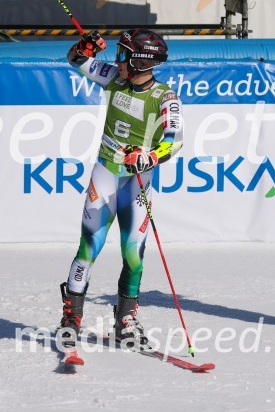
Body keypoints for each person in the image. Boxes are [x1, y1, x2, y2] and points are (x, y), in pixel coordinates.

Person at [58, 29, 183, 351]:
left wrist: (150, 156)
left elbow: (175, 140)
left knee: (133, 255)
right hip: (106, 173)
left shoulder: (165, 97)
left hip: (136, 182)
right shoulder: (114, 78)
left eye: (123, 55)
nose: (117, 60)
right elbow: (76, 60)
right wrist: (84, 46)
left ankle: (125, 320)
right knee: (89, 247)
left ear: (139, 62)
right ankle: (71, 318)